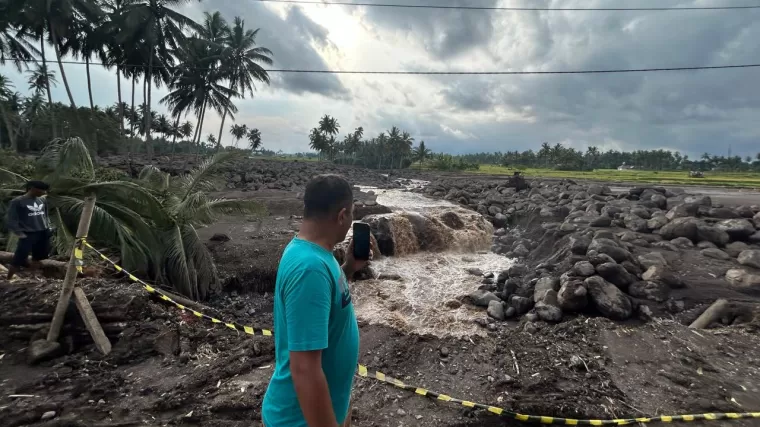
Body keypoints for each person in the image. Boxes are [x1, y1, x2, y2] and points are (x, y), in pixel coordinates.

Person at [263, 174, 371, 427]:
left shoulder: (318, 252)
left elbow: (325, 299)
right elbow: (305, 370)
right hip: (299, 420)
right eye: (352, 213)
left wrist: (349, 268)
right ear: (342, 215)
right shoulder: (309, 269)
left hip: (323, 410)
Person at [5, 180, 52, 280]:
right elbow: (11, 220)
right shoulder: (17, 201)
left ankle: (33, 276)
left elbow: (46, 215)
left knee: (38, 257)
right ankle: (8, 278)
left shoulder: (42, 200)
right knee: (19, 257)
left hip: (43, 232)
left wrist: (48, 227)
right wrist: (20, 234)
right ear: (32, 188)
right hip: (28, 233)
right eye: (42, 190)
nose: (44, 193)